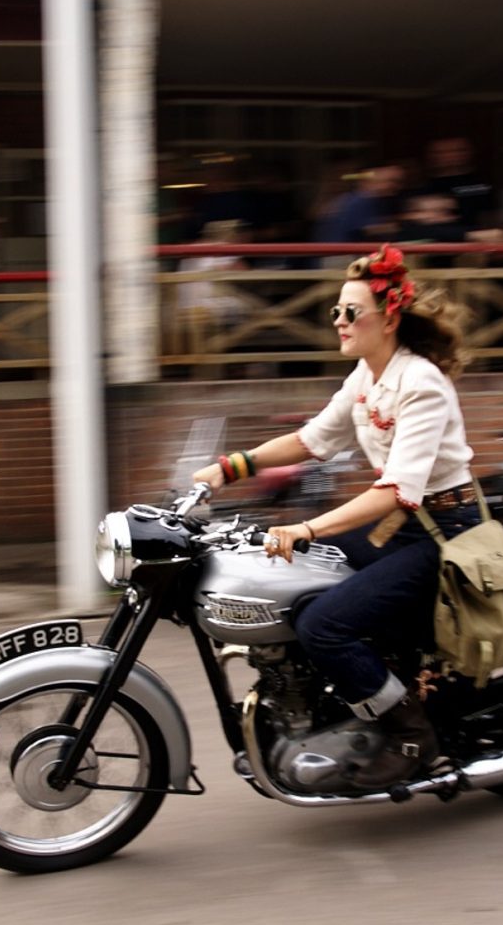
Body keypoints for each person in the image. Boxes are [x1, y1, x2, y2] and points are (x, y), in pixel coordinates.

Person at [192, 245, 479, 788]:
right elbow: (311, 439)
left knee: (323, 624)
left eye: (352, 313)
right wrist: (231, 466)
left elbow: (397, 491)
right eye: (336, 313)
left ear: (388, 317)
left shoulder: (420, 383)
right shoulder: (366, 378)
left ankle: (412, 736)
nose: (341, 322)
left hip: (445, 535)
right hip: (402, 531)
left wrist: (305, 528)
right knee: (295, 578)